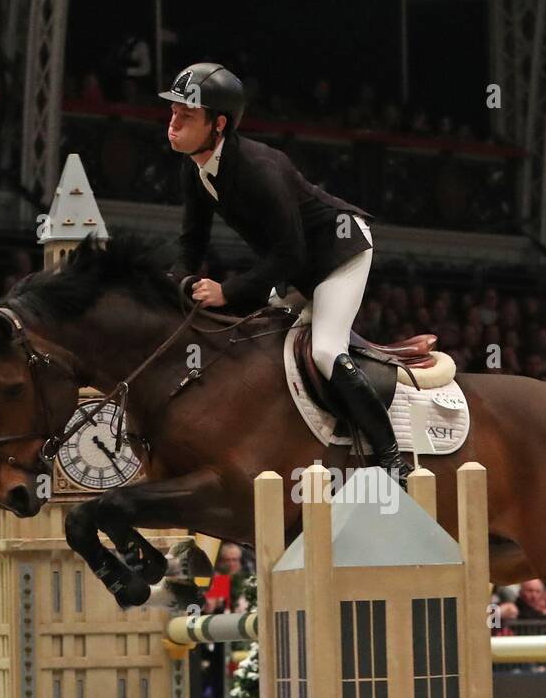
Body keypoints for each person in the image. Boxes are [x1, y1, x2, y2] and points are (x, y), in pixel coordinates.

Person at [161, 61, 412, 485]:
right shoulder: (195, 167)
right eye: (173, 113)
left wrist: (228, 291)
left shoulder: (260, 169)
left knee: (325, 351)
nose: (173, 123)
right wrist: (176, 283)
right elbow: (191, 241)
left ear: (218, 124)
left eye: (186, 116)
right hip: (296, 265)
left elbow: (291, 255)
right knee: (259, 341)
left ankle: (391, 458)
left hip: (340, 252)